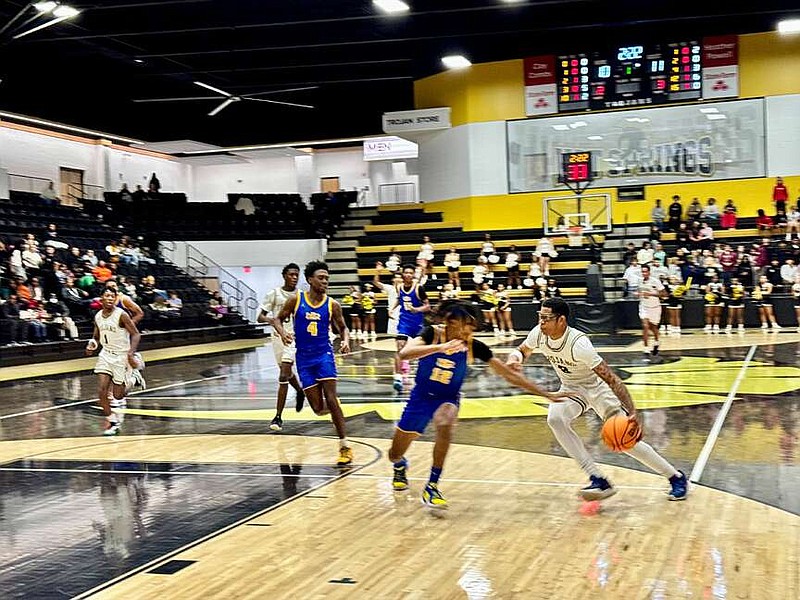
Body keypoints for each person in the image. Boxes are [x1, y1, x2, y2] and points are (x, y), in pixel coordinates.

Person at [506, 297, 688, 501]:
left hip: (597, 388)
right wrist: (515, 358)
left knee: (626, 442)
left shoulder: (579, 344)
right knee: (555, 419)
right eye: (540, 317)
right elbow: (523, 349)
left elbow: (611, 378)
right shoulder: (539, 333)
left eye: (546, 318)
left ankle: (675, 477)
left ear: (561, 320)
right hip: (572, 388)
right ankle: (598, 479)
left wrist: (633, 412)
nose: (541, 322)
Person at [389, 300, 566, 509]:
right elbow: (404, 354)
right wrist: (440, 348)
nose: (469, 332)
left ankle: (432, 485)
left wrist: (545, 394)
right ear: (451, 322)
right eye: (466, 326)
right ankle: (400, 465)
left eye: (472, 328)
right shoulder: (432, 334)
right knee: (394, 453)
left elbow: (508, 374)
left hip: (448, 397)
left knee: (445, 422)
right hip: (420, 397)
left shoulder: (473, 346)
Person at [272, 261, 353, 466]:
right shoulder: (295, 300)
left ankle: (344, 446)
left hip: (324, 354)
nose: (325, 281)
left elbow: (343, 328)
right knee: (318, 408)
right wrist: (283, 334)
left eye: (327, 278)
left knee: (331, 397)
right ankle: (336, 410)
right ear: (310, 280)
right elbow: (278, 319)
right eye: (321, 277)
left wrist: (345, 340)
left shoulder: (332, 304)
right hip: (304, 358)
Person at [85, 288, 142, 436]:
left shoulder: (121, 315)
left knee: (118, 395)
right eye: (107, 295)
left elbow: (135, 334)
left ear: (115, 299)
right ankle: (113, 422)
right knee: (102, 392)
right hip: (105, 355)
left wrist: (130, 352)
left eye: (112, 296)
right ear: (101, 299)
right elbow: (96, 336)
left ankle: (134, 379)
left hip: (121, 356)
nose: (110, 298)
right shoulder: (98, 316)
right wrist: (92, 345)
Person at [257, 263, 305, 432]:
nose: (294, 277)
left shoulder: (301, 295)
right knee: (287, 372)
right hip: (278, 338)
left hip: (294, 339)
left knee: (283, 374)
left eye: (297, 275)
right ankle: (300, 391)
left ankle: (278, 417)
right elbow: (260, 317)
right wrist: (272, 321)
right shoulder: (274, 294)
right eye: (291, 274)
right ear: (284, 275)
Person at [390, 264, 430, 392]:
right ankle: (398, 377)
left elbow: (427, 306)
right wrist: (392, 309)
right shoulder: (399, 287)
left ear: (413, 275)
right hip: (404, 323)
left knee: (422, 352)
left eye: (410, 273)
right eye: (405, 272)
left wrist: (416, 309)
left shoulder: (419, 288)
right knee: (400, 348)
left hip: (417, 323)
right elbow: (399, 299)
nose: (408, 275)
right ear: (402, 274)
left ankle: (424, 377)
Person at [637, 265, 666, 357]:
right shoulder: (639, 281)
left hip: (655, 307)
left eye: (645, 271)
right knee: (645, 326)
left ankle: (657, 341)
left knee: (653, 327)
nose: (644, 273)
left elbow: (664, 294)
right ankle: (646, 348)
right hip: (644, 307)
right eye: (642, 271)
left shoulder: (655, 281)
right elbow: (639, 291)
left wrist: (651, 294)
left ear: (649, 272)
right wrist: (637, 294)